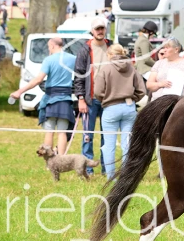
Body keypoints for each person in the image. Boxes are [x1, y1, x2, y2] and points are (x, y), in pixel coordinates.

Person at [11, 37, 76, 154]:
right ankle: (61, 161)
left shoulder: (48, 60)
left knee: (49, 131)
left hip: (51, 100)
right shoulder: (72, 58)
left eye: (48, 47)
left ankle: (49, 161)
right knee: (62, 132)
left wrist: (20, 91)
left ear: (52, 46)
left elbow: (38, 80)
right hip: (65, 100)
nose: (48, 49)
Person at [94, 44, 146, 180]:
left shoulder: (105, 69)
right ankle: (126, 175)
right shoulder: (132, 68)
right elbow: (142, 90)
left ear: (110, 55)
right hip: (129, 107)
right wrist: (133, 99)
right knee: (127, 144)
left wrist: (106, 99)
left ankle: (111, 176)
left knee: (109, 145)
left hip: (110, 108)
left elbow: (97, 91)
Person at [74, 17, 112, 175]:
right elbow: (78, 75)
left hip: (109, 100)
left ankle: (105, 168)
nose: (100, 31)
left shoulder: (112, 46)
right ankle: (87, 169)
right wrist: (80, 98)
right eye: (97, 29)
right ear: (92, 31)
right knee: (87, 136)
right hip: (90, 99)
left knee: (107, 137)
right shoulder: (85, 49)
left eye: (102, 28)